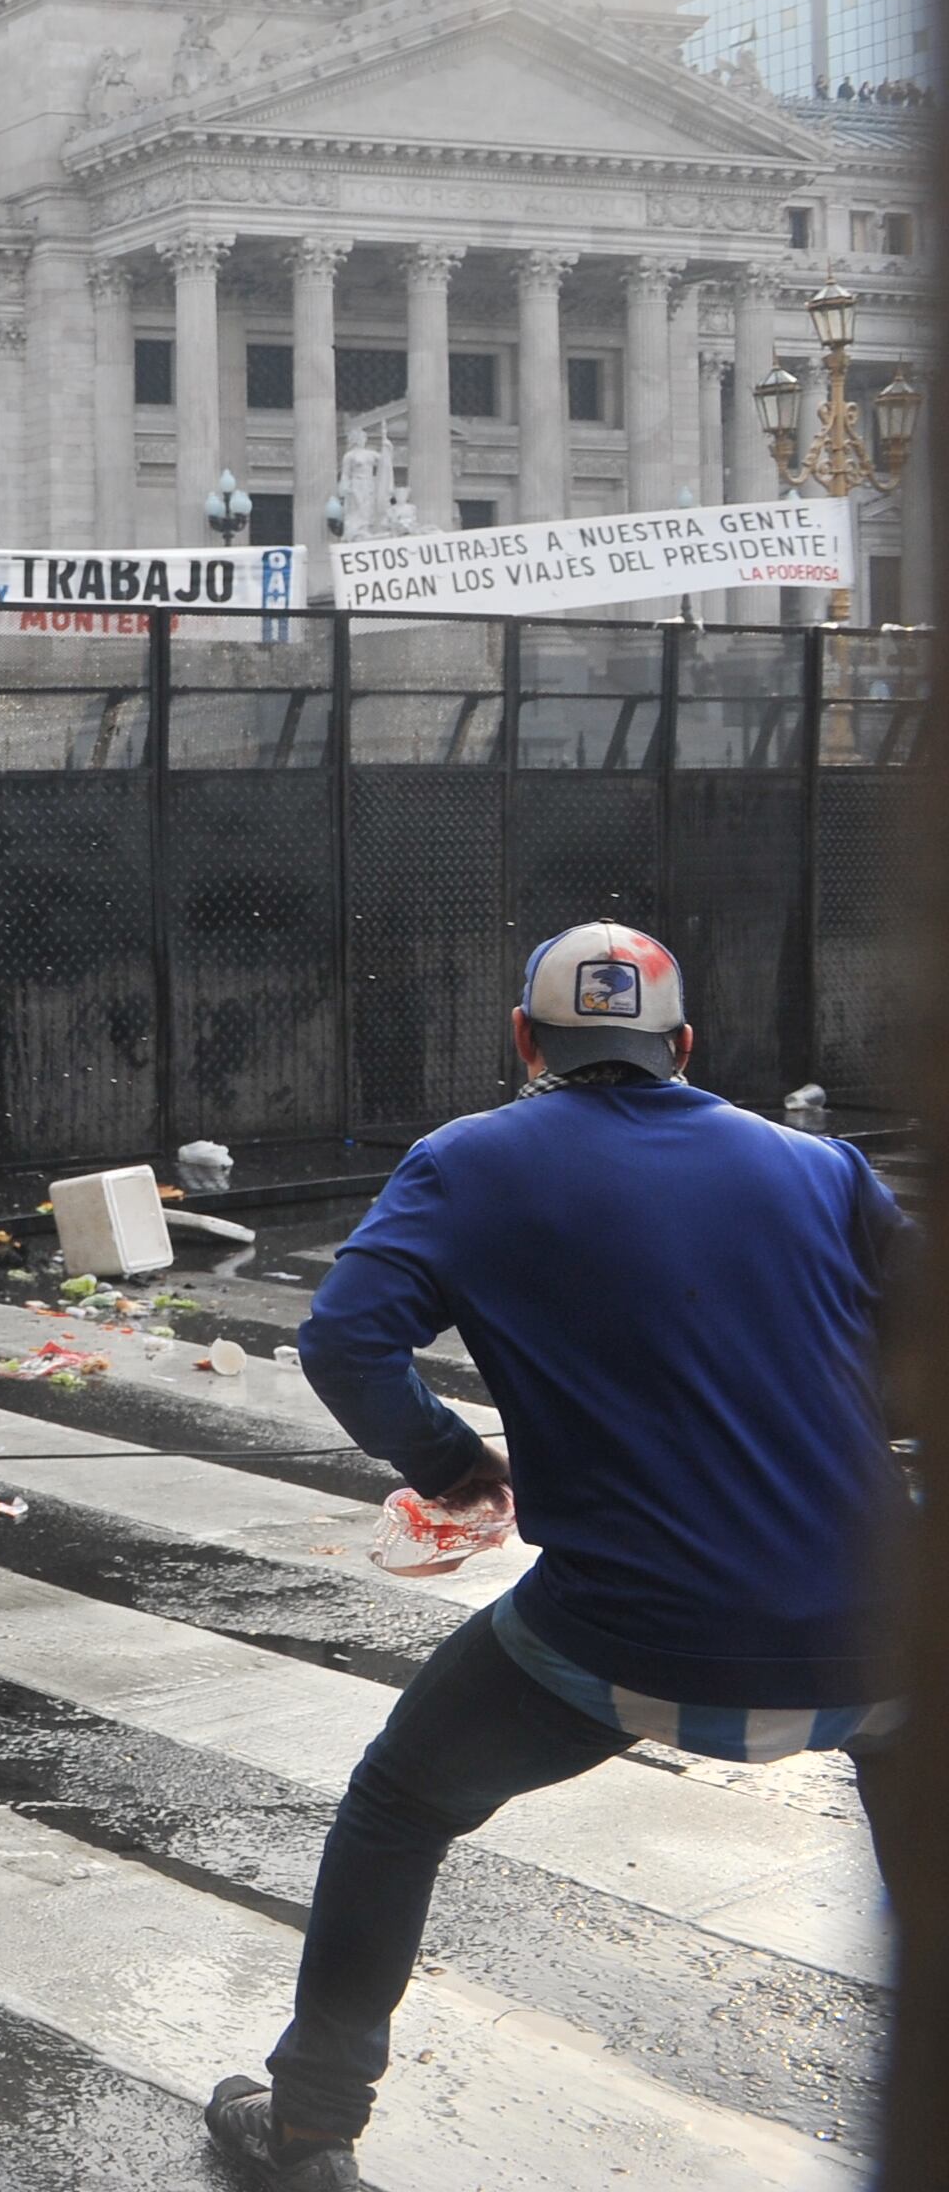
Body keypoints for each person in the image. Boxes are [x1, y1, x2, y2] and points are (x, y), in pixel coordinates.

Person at [207, 924, 912, 2188]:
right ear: (683, 1047)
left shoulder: (466, 1164)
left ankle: (309, 2130)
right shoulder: (823, 1170)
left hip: (622, 1637)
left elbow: (341, 1342)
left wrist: (441, 1461)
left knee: (398, 1804)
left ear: (524, 1043)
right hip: (884, 1629)